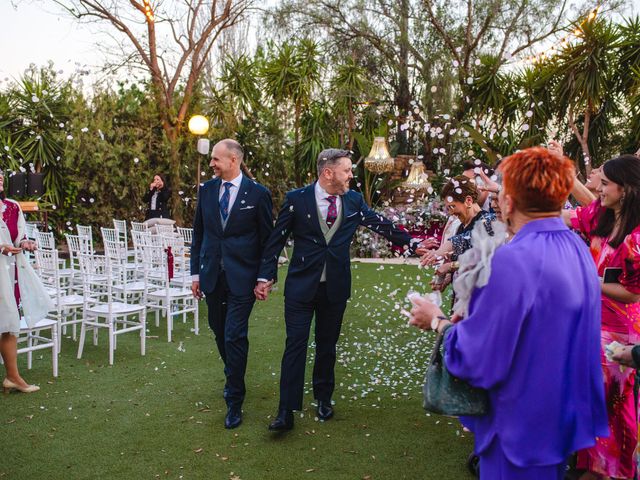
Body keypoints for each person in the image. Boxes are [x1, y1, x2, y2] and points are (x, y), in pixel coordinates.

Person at [409, 147, 608, 479]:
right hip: (560, 415)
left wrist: (437, 321)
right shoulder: (577, 248)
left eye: (502, 193)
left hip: (519, 423)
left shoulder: (511, 259)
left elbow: (477, 358)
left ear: (510, 202)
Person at [255, 148, 417, 431]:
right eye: (347, 171)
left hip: (336, 288)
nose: (351, 175)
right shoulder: (297, 199)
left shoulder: (353, 200)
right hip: (300, 289)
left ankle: (324, 398)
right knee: (295, 346)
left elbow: (380, 224)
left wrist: (411, 243)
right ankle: (286, 410)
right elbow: (276, 240)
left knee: (327, 347)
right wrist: (264, 276)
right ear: (328, 173)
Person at [564, 154, 640, 480]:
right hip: (592, 324)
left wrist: (592, 282)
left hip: (620, 333)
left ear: (626, 190)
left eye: (606, 183)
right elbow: (571, 216)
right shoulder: (601, 213)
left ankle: (609, 471)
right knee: (590, 399)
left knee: (613, 408)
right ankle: (589, 464)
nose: (600, 189)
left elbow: (635, 293)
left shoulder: (637, 238)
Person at [190, 139, 274, 429]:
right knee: (218, 330)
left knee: (234, 335)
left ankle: (234, 399)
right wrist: (195, 274)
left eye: (216, 159)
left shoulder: (259, 193)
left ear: (233, 160)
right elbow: (198, 234)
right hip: (212, 274)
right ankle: (234, 372)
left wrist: (265, 276)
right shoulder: (207, 190)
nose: (211, 163)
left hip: (243, 278)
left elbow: (268, 240)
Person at [0, 171, 53, 393]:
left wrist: (25, 242)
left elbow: (18, 236)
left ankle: (12, 377)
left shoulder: (13, 206)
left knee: (8, 321)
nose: (0, 179)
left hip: (7, 273)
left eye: (0, 176)